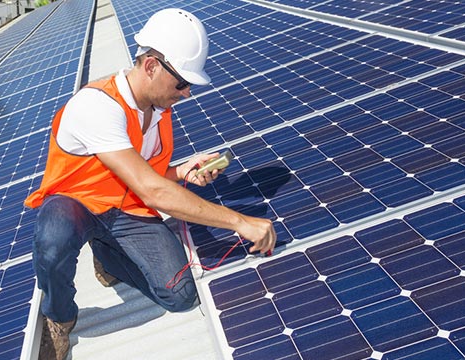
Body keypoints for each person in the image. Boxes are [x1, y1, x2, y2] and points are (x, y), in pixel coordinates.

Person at [24, 8, 276, 360]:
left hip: (124, 207)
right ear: (152, 66)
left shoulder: (158, 112)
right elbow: (151, 189)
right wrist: (239, 221)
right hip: (75, 204)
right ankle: (60, 316)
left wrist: (184, 170)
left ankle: (108, 257)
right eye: (182, 83)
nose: (186, 93)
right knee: (53, 240)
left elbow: (149, 174)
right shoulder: (97, 106)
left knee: (180, 295)